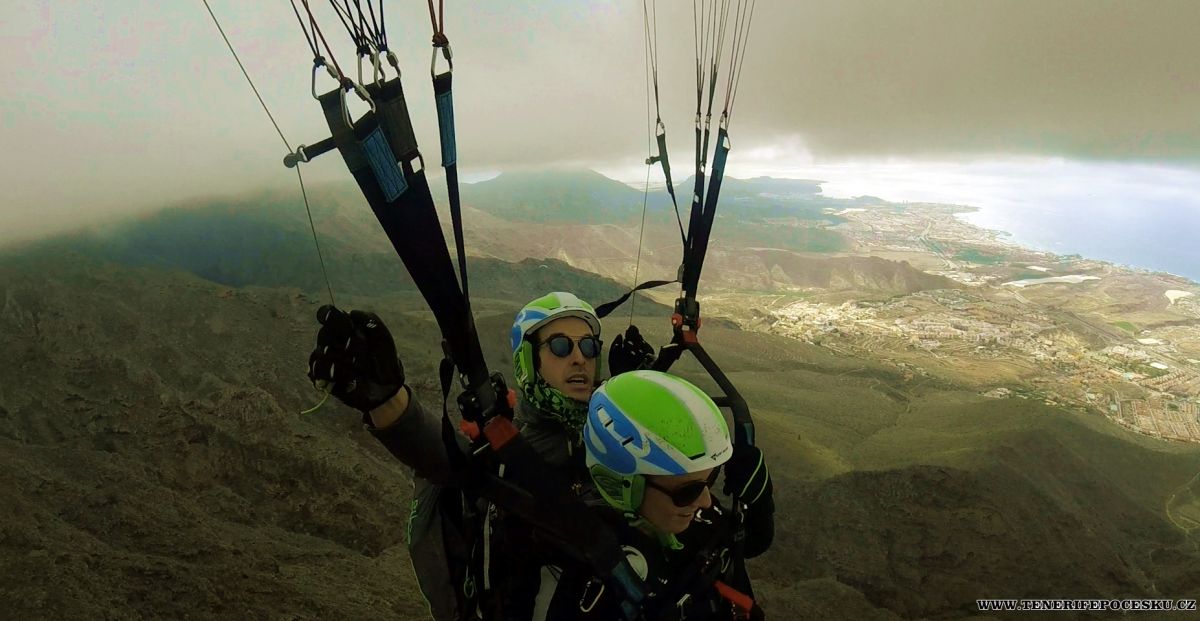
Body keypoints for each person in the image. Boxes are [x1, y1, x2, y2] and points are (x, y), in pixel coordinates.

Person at [306, 292, 657, 620]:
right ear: (528, 362)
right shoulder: (505, 449)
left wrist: (637, 388)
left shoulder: (611, 440)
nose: (580, 357)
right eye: (561, 346)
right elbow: (442, 457)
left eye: (589, 346)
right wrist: (384, 400)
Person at [535, 370, 774, 620]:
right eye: (689, 491)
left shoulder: (680, 511)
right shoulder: (598, 575)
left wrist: (760, 504)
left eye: (710, 479)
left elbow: (742, 546)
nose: (705, 500)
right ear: (625, 485)